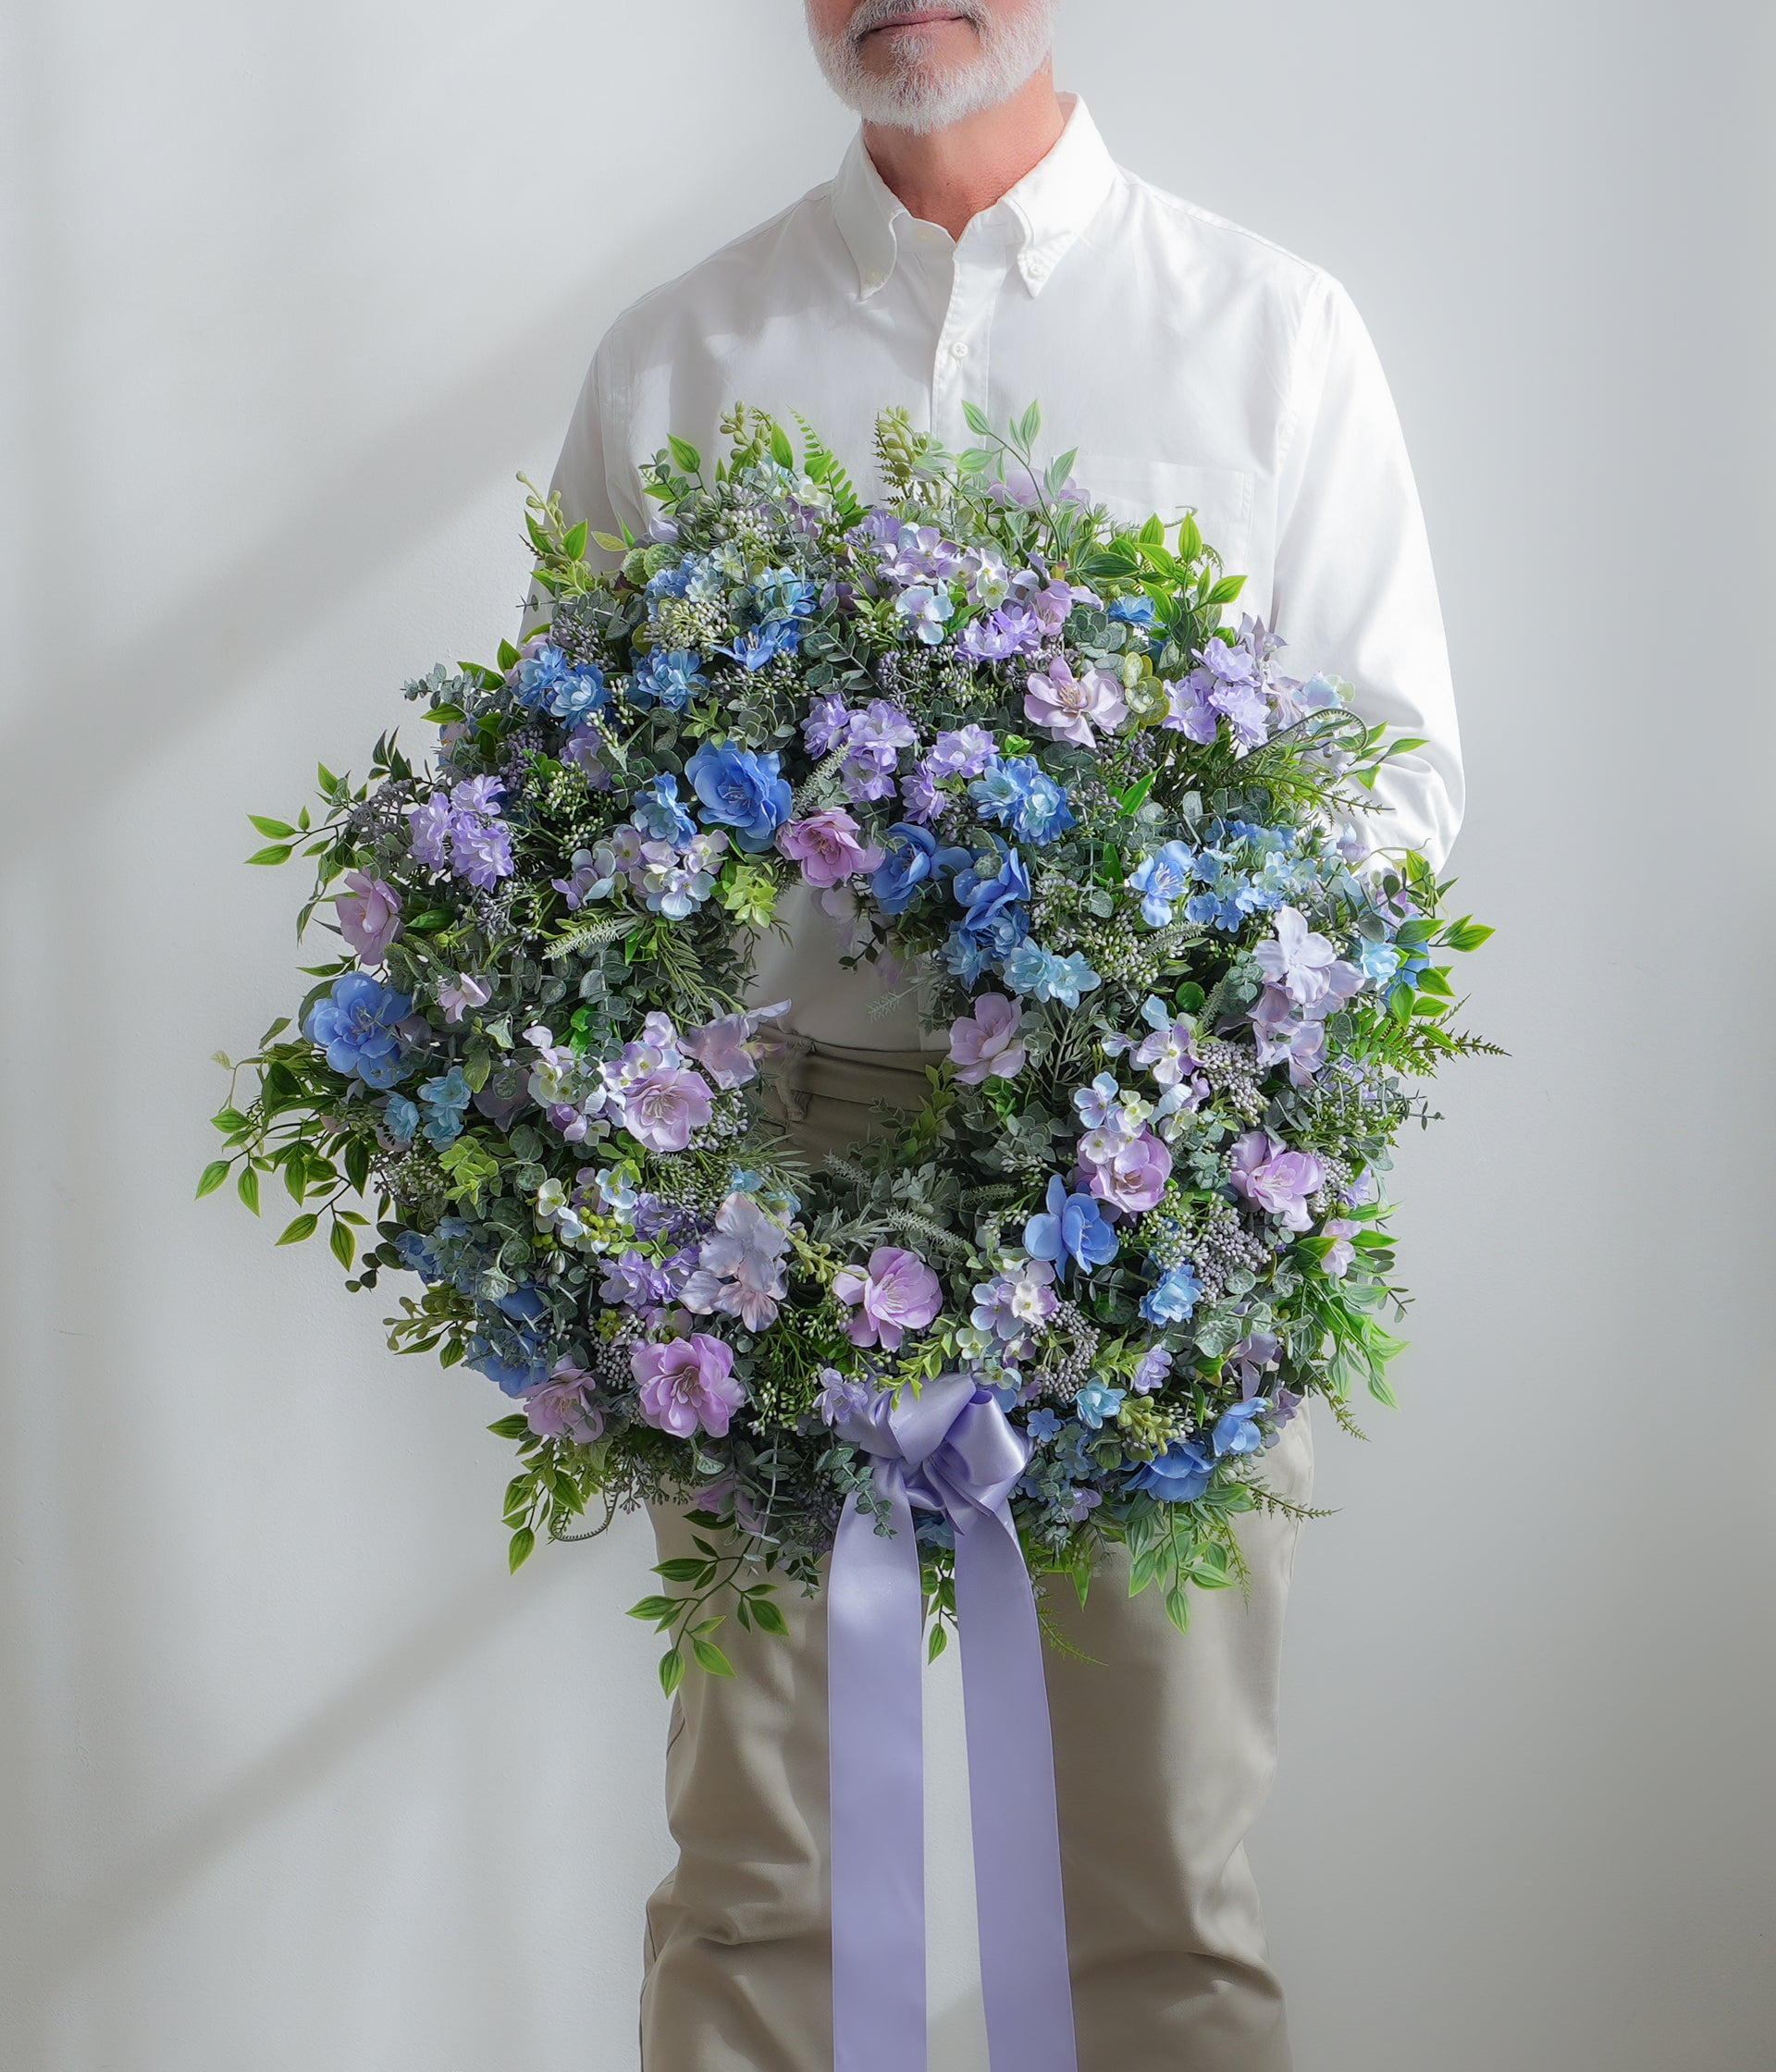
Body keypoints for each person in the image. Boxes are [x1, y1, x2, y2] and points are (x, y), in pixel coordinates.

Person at [536, 6, 1464, 2067]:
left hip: (1155, 1194)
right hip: (767, 1180)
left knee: (1163, 1890)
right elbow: (577, 805)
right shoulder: (683, 356)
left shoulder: (1265, 335)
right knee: (757, 1883)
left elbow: (1393, 790)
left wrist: (1157, 983)